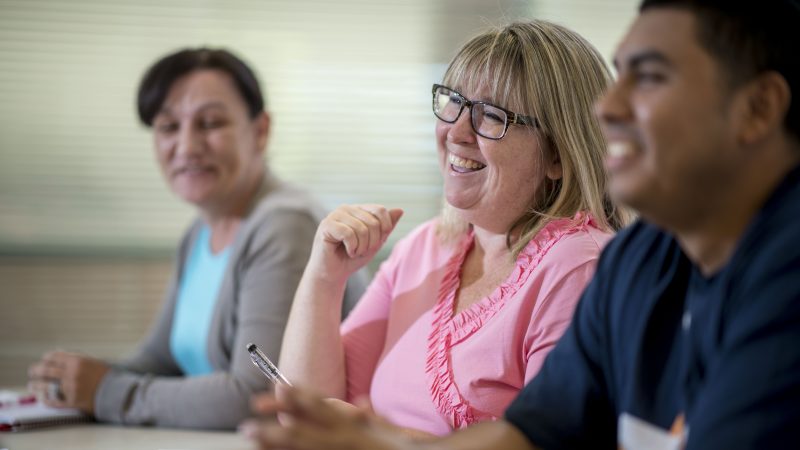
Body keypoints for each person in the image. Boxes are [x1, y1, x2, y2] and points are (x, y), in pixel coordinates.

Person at [243, 0, 800, 448]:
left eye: (649, 77)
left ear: (757, 110)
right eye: (454, 103)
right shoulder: (640, 259)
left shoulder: (589, 260)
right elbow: (535, 432)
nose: (609, 108)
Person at [273, 20, 630, 438]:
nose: (456, 132)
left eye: (492, 116)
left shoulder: (580, 266)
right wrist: (324, 277)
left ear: (557, 154)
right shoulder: (427, 245)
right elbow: (309, 417)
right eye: (455, 103)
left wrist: (382, 441)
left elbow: (554, 443)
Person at [26, 48, 367, 430]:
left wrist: (106, 391)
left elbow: (257, 396)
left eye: (210, 123)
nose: (186, 146)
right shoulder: (200, 231)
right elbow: (161, 359)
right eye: (169, 127)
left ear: (260, 131)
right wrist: (75, 381)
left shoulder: (284, 225)